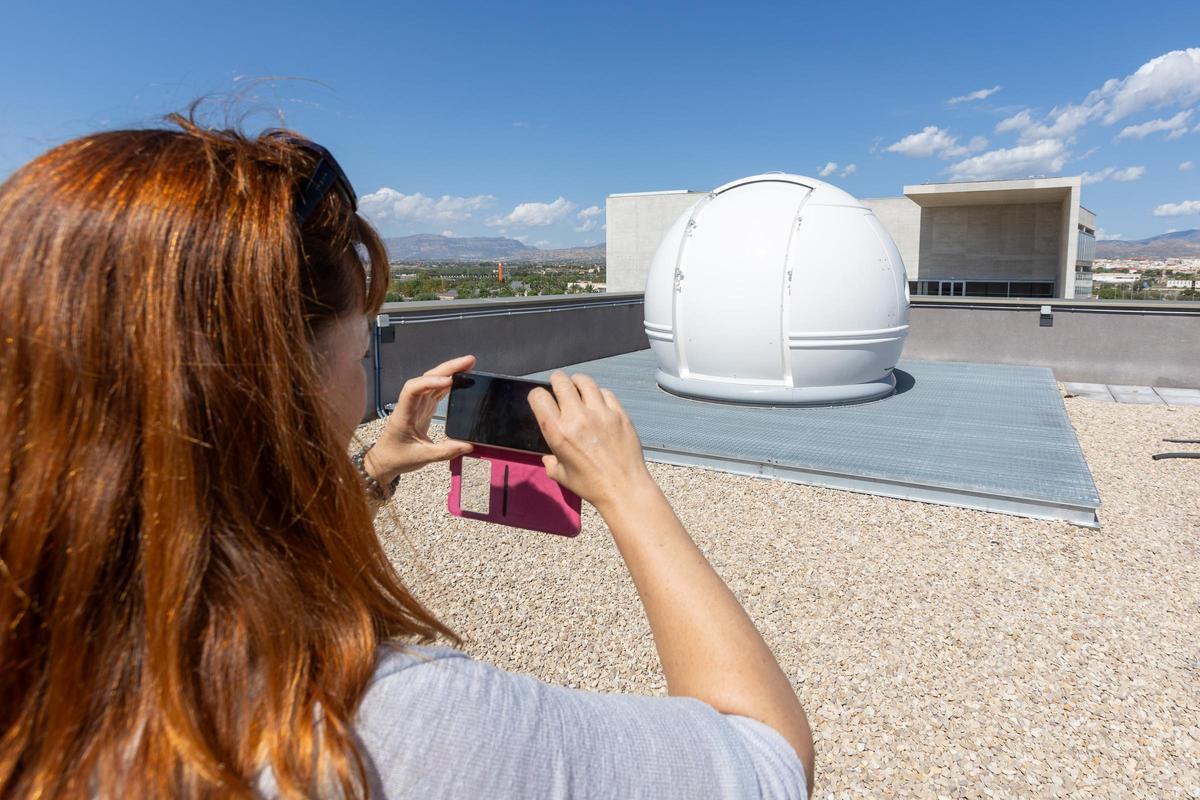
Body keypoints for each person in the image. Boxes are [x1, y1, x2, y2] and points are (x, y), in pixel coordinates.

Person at [0, 114, 813, 799]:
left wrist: (371, 474)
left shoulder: (43, 659)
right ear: (271, 391)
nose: (365, 390)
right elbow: (764, 760)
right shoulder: (374, 729)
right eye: (360, 355)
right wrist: (630, 492)